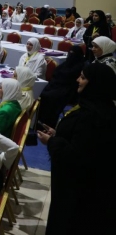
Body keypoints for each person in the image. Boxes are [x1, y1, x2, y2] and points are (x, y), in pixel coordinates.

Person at [37, 64, 116, 235]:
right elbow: (82, 141)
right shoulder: (100, 107)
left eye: (83, 77)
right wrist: (58, 134)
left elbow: (76, 156)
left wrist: (52, 141)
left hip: (78, 195)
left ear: (95, 84)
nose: (77, 80)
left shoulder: (92, 117)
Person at [37, 45, 85, 128]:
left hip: (68, 89)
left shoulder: (80, 66)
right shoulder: (66, 63)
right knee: (42, 93)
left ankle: (49, 123)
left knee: (51, 98)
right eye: (70, 53)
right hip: (56, 85)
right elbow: (56, 74)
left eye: (73, 53)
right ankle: (39, 120)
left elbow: (71, 81)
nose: (71, 55)